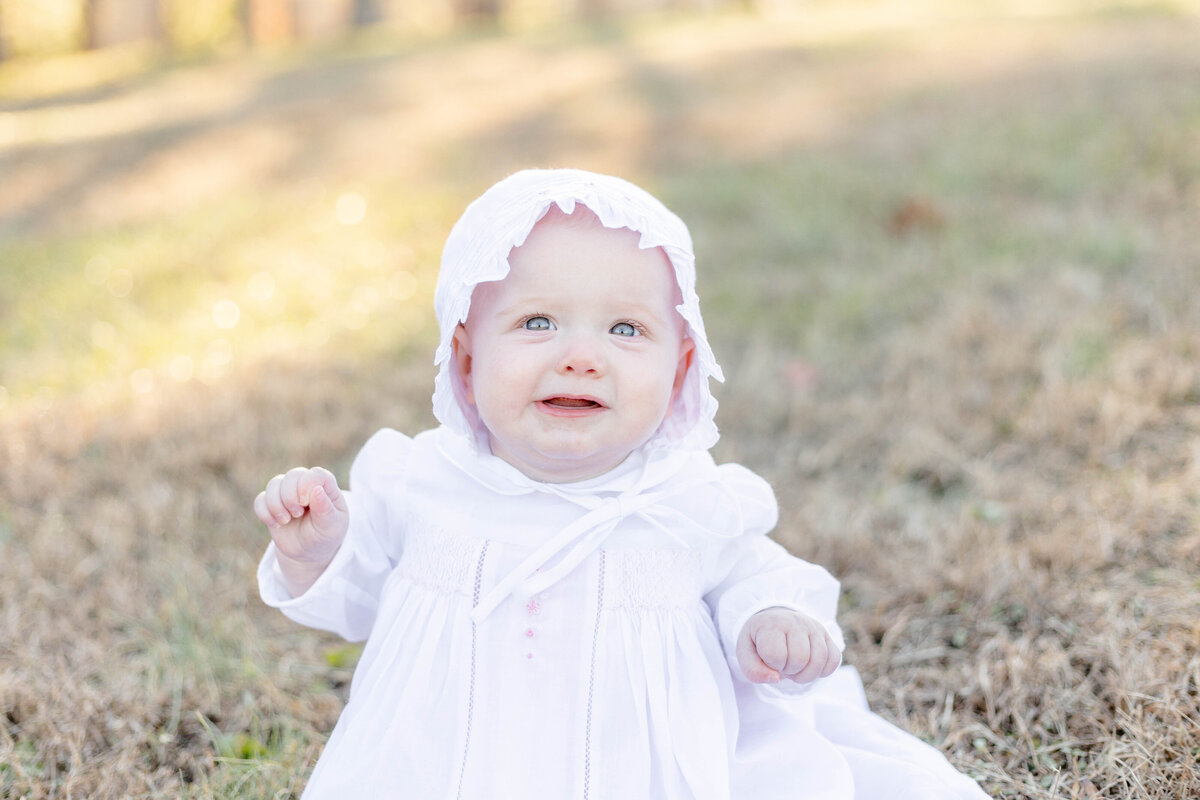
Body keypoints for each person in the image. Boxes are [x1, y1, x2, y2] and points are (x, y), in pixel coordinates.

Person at [253, 168, 990, 799]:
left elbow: (753, 573)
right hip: (439, 766)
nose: (581, 356)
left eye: (626, 331)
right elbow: (357, 599)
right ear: (466, 358)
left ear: (678, 372)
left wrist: (766, 617)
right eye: (537, 322)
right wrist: (317, 549)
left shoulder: (687, 501)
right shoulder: (419, 482)